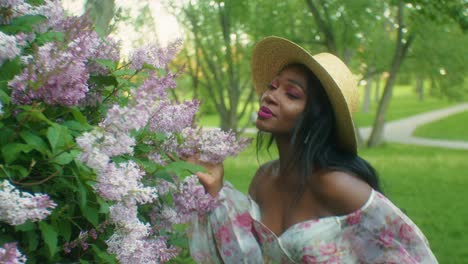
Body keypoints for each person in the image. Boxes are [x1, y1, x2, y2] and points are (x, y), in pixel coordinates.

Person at [187, 36, 437, 263]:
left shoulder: (337, 185)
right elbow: (248, 256)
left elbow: (411, 255)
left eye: (292, 94)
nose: (270, 96)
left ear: (317, 117)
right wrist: (215, 189)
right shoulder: (263, 179)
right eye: (273, 87)